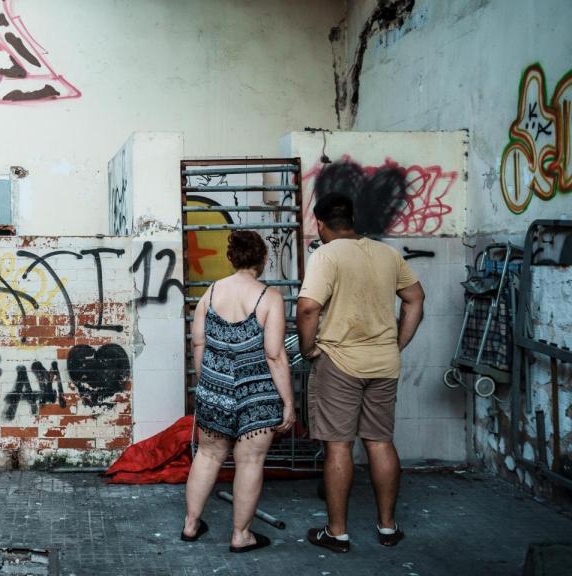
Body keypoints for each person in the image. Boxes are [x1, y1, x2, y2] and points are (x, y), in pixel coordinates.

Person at [297, 193, 425, 553]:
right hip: (383, 363)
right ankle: (387, 527)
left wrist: (308, 349)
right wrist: (397, 343)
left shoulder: (325, 255)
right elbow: (416, 298)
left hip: (339, 362)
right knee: (380, 441)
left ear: (320, 224)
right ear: (351, 220)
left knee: (339, 445)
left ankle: (337, 532)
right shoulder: (387, 253)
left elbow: (308, 308)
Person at [181, 230, 296, 553]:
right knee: (250, 462)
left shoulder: (210, 293)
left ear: (231, 258)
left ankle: (191, 524)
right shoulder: (269, 298)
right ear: (263, 259)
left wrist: (208, 385)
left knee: (207, 456)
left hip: (214, 389)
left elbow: (199, 343)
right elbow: (275, 354)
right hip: (255, 397)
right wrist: (288, 402)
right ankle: (241, 535)